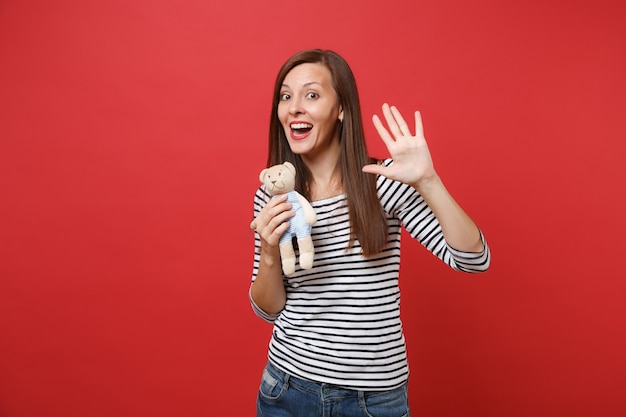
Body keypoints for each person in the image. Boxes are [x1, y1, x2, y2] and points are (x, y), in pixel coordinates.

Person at [248, 49, 490, 417]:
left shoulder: (384, 181)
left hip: (372, 400)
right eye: (285, 96)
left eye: (311, 95)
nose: (294, 107)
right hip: (287, 389)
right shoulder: (274, 195)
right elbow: (267, 310)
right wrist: (268, 251)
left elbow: (473, 259)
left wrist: (428, 181)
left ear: (341, 108)